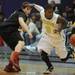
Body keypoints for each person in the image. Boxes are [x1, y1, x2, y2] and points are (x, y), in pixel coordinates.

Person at [31, 3, 68, 73]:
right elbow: (40, 8)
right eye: (49, 12)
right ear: (45, 11)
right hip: (47, 37)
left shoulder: (57, 17)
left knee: (64, 59)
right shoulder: (42, 13)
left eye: (52, 12)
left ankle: (70, 50)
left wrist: (59, 29)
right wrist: (33, 5)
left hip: (58, 39)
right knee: (43, 54)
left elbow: (65, 23)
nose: (51, 14)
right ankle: (50, 67)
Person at [0, 2, 33, 72]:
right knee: (21, 42)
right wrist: (29, 32)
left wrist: (24, 27)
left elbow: (22, 27)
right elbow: (21, 22)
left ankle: (9, 67)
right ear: (26, 9)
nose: (30, 11)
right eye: (30, 10)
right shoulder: (22, 13)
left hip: (3, 30)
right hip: (9, 29)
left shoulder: (17, 12)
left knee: (16, 47)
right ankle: (12, 59)